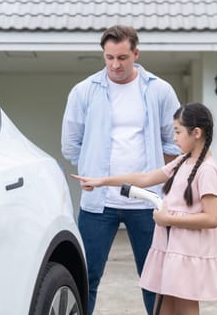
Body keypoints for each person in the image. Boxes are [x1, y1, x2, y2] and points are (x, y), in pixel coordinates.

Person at [61, 25, 181, 315]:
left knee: (155, 279)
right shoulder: (84, 91)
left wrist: (159, 180)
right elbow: (70, 145)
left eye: (123, 57)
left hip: (147, 200)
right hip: (98, 204)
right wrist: (94, 169)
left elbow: (176, 141)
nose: (115, 65)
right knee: (86, 276)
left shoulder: (159, 90)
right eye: (109, 57)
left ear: (136, 53)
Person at [72, 102, 217, 315]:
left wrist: (169, 220)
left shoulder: (207, 169)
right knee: (161, 308)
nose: (173, 138)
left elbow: (212, 218)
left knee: (185, 308)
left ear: (196, 133)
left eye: (177, 132)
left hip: (188, 253)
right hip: (171, 248)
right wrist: (102, 181)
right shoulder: (183, 160)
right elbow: (146, 177)